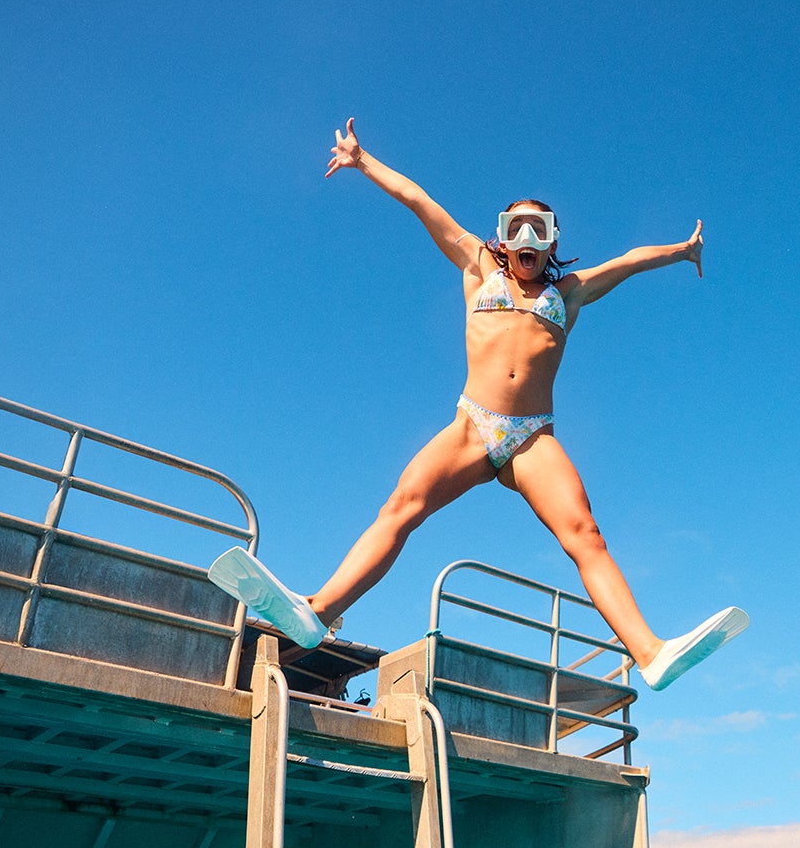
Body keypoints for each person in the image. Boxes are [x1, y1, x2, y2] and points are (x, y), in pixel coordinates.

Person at [210, 119, 746, 691]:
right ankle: (316, 611)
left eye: (539, 230)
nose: (528, 240)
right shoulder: (476, 266)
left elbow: (631, 260)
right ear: (503, 236)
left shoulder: (569, 292)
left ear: (552, 242)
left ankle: (650, 652)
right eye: (517, 227)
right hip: (474, 424)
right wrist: (363, 162)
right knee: (402, 508)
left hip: (532, 436)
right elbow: (418, 198)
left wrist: (681, 250)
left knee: (585, 535)